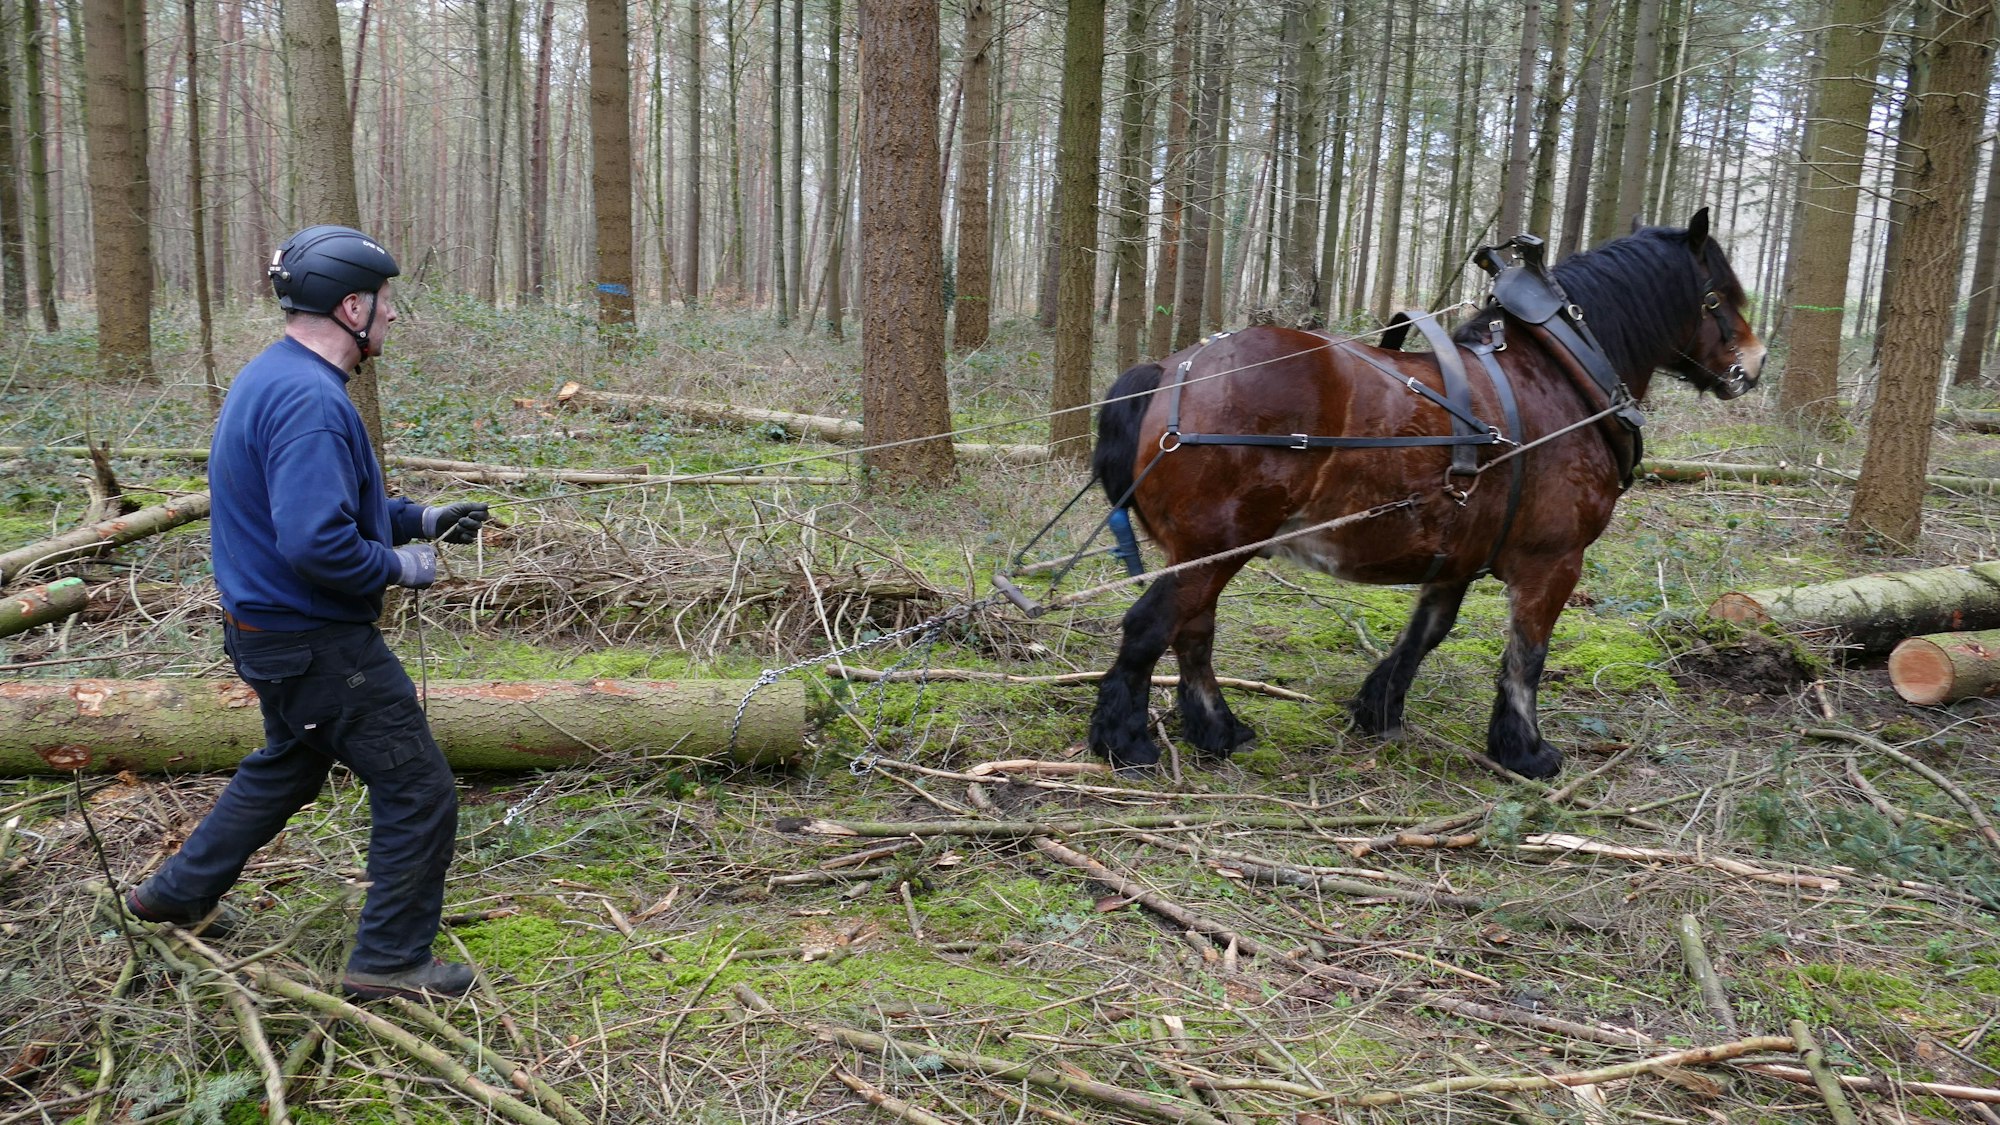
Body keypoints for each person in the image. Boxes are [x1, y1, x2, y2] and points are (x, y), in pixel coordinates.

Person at [126, 225, 491, 1001]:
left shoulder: (275, 377)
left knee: (288, 765)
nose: (393, 316)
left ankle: (172, 896)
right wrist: (402, 565)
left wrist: (421, 519)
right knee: (418, 789)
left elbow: (321, 506)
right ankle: (390, 961)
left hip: (267, 633)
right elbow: (316, 542)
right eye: (386, 301)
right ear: (352, 305)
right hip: (317, 643)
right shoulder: (311, 403)